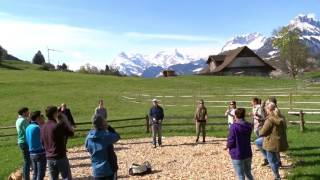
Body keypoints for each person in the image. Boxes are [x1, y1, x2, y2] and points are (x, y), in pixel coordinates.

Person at [41, 106, 74, 180]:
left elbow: (42, 142)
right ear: (55, 113)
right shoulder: (57, 126)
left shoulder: (43, 127)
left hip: (49, 157)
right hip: (60, 156)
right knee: (66, 177)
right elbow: (71, 133)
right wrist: (65, 120)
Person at [259, 102, 289, 180]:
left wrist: (261, 126)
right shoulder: (281, 117)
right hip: (280, 140)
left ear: (269, 110)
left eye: (266, 109)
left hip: (271, 142)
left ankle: (277, 177)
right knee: (258, 142)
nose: (265, 111)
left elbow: (262, 133)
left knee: (272, 161)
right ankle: (273, 160)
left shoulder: (270, 120)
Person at [85, 115, 120, 180]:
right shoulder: (106, 136)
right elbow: (117, 136)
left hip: (96, 171)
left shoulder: (88, 137)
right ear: (102, 124)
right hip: (109, 169)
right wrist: (108, 127)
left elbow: (88, 148)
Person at [225, 108, 254, 180]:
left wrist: (227, 146)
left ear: (236, 116)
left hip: (237, 153)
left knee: (240, 175)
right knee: (248, 173)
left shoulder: (234, 127)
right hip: (247, 152)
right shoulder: (249, 126)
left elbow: (231, 140)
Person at [26, 111, 46, 180]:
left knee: (35, 173)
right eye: (41, 117)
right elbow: (44, 140)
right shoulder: (37, 127)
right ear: (38, 118)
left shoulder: (28, 127)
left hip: (31, 153)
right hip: (40, 152)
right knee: (41, 174)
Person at [16, 107, 31, 180]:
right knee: (27, 161)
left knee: (27, 160)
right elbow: (29, 130)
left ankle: (26, 176)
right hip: (25, 142)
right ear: (24, 113)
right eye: (27, 112)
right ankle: (26, 177)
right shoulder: (24, 120)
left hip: (21, 142)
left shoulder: (18, 120)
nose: (28, 113)